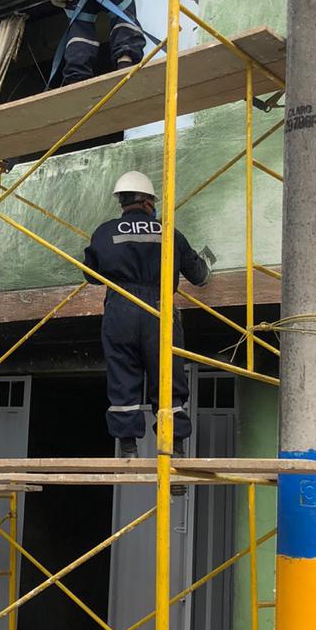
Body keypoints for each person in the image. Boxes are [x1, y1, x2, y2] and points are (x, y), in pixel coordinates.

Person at [83, 172, 210, 471]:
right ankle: (174, 449)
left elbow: (90, 275)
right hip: (159, 306)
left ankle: (128, 448)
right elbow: (200, 277)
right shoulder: (169, 232)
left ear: (122, 201)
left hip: (120, 310)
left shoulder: (104, 232)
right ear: (148, 201)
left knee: (123, 377)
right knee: (167, 376)